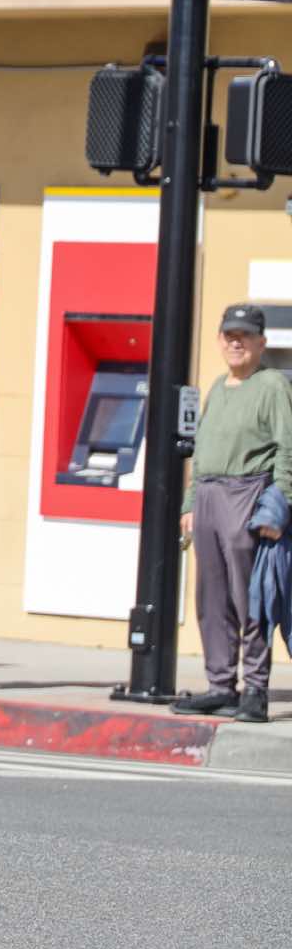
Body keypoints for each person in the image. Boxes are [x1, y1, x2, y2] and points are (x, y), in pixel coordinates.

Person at [175, 304, 292, 723]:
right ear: (220, 340)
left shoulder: (272, 385)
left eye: (244, 335)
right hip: (209, 495)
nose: (236, 342)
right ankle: (221, 686)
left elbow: (288, 447)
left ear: (262, 342)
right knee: (212, 599)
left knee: (252, 597)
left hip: (247, 492)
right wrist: (191, 502)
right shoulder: (217, 387)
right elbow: (203, 450)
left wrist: (280, 506)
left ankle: (255, 690)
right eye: (230, 335)